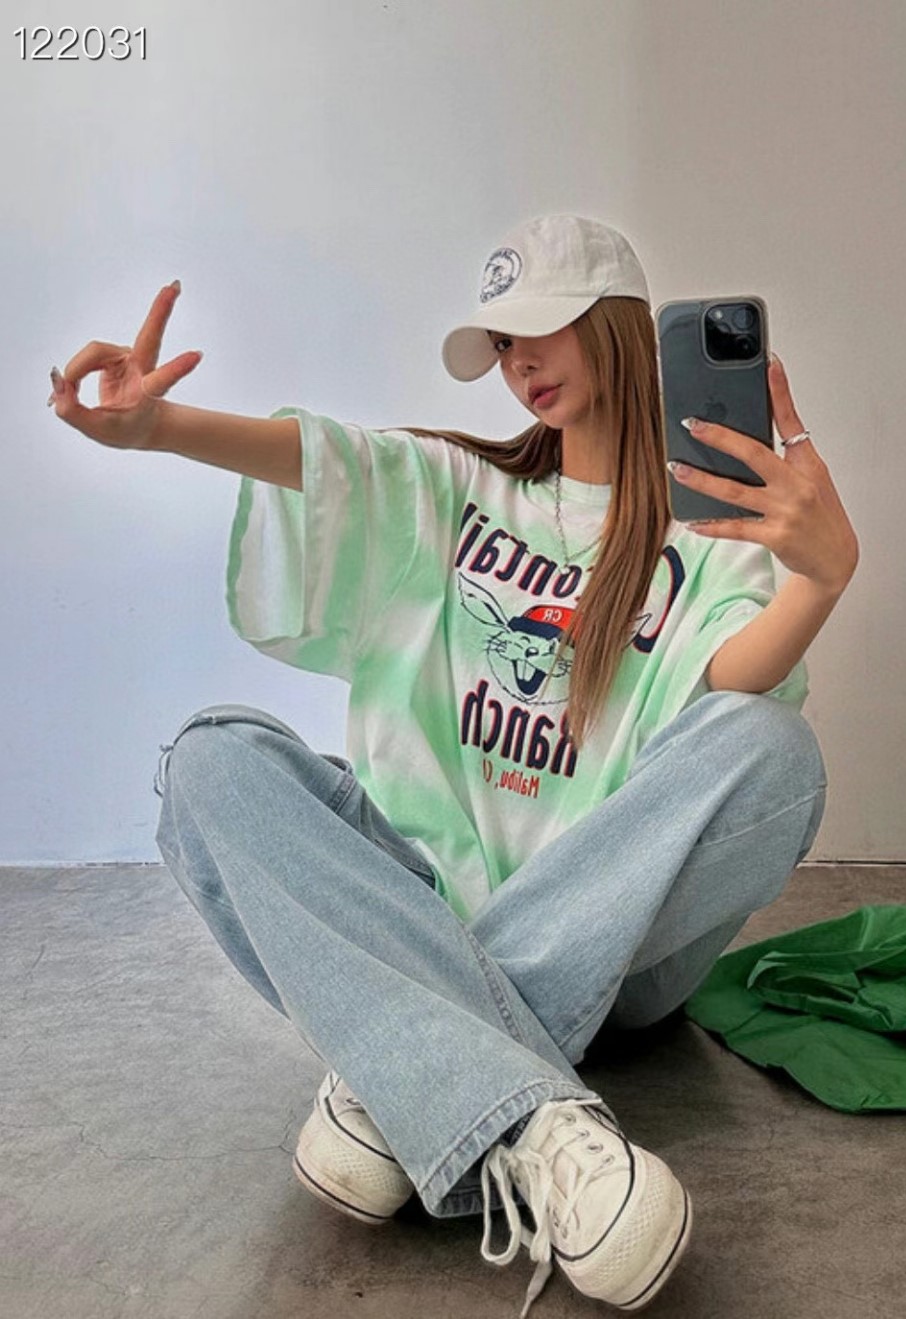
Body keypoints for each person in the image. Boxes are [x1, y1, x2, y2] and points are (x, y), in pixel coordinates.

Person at [49, 215, 857, 1316]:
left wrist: (819, 581)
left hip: (622, 940)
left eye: (543, 330)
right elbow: (316, 458)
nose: (520, 363)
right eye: (502, 343)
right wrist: (157, 429)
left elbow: (728, 691)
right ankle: (528, 1116)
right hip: (428, 897)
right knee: (211, 761)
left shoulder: (704, 530)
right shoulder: (452, 485)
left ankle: (404, 1065)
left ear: (619, 326)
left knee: (774, 748)